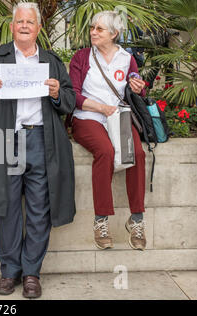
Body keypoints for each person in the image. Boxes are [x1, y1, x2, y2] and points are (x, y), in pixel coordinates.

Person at [0, 2, 76, 299]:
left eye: (30, 22)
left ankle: (31, 273)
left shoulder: (51, 61)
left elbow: (70, 101)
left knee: (40, 208)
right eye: (20, 22)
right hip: (5, 140)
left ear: (39, 28)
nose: (25, 26)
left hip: (42, 141)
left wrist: (57, 93)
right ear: (12, 26)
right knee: (7, 209)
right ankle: (9, 272)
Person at [68, 11, 147, 251]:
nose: (93, 32)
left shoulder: (127, 58)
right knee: (105, 151)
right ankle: (101, 220)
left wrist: (138, 86)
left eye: (100, 29)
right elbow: (73, 95)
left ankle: (136, 220)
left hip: (117, 117)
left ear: (114, 34)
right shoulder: (82, 57)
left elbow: (136, 90)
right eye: (93, 27)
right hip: (88, 115)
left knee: (139, 155)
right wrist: (101, 107)